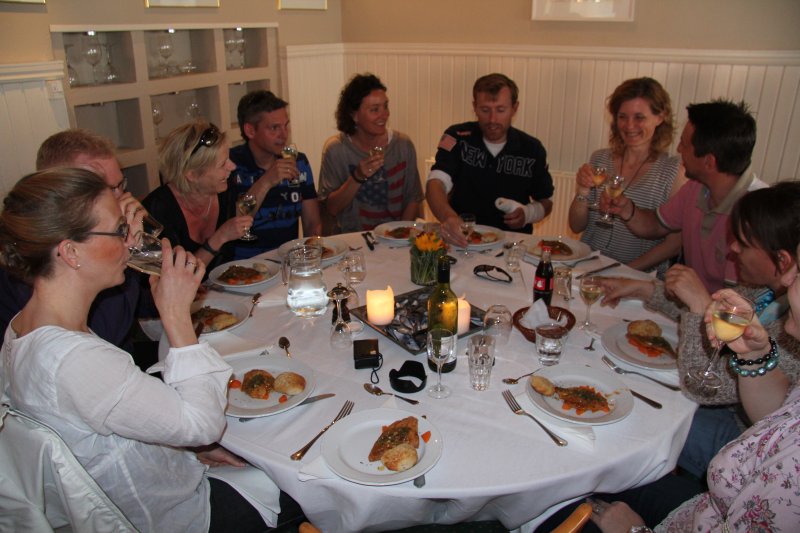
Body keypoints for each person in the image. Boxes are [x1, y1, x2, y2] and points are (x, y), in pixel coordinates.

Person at [0, 168, 277, 531]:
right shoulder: (75, 361)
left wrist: (187, 449)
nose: (132, 242)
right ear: (70, 252)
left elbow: (114, 420)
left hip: (161, 480)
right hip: (171, 517)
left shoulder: (24, 326)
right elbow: (204, 425)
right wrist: (176, 315)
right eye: (119, 230)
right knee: (297, 477)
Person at [538, 242, 800, 532]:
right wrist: (754, 356)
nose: (787, 278)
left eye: (799, 272)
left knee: (551, 512)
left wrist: (635, 530)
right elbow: (773, 415)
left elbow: (700, 385)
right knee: (594, 476)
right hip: (705, 508)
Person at [599, 181, 800, 478]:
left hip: (742, 440)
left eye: (743, 243)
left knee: (632, 417)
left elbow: (702, 386)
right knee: (625, 383)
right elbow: (717, 316)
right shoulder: (766, 294)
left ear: (782, 261)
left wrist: (698, 305)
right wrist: (643, 289)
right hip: (728, 412)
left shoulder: (792, 333)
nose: (733, 249)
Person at [0, 129, 144, 349]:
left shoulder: (105, 236)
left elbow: (143, 303)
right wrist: (127, 248)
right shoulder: (38, 265)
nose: (121, 197)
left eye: (120, 185)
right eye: (102, 188)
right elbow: (104, 337)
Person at [605, 99, 766, 292]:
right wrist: (626, 209)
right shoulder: (695, 188)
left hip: (721, 307)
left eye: (684, 144)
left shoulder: (758, 215)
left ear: (709, 162)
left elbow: (739, 302)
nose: (679, 149)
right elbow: (655, 225)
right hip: (689, 302)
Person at [568, 77, 686, 278]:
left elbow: (674, 244)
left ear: (660, 117)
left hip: (638, 276)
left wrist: (623, 271)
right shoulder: (600, 159)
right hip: (588, 267)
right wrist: (582, 191)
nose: (629, 125)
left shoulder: (674, 171)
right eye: (622, 117)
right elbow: (576, 225)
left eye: (639, 117)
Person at [426, 73, 554, 247]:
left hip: (511, 244)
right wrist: (448, 217)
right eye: (485, 110)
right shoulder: (458, 137)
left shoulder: (532, 148)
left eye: (501, 110)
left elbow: (546, 201)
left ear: (514, 108)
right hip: (462, 239)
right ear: (474, 107)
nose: (492, 119)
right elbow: (436, 183)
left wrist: (528, 213)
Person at [318, 73, 423, 233]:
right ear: (354, 115)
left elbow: (413, 198)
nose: (384, 115)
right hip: (351, 239)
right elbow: (331, 208)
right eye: (374, 110)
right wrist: (357, 176)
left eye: (385, 106)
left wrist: (400, 234)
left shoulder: (403, 145)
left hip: (395, 237)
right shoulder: (336, 150)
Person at [143, 121, 252, 271]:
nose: (232, 167)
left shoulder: (225, 190)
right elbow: (174, 278)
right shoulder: (157, 212)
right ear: (192, 175)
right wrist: (219, 237)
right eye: (222, 164)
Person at [229, 90, 322, 258]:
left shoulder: (298, 162)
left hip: (287, 260)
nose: (284, 135)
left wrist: (314, 257)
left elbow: (312, 224)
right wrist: (266, 181)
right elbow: (234, 221)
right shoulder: (230, 165)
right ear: (250, 131)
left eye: (286, 125)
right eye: (274, 128)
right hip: (244, 265)